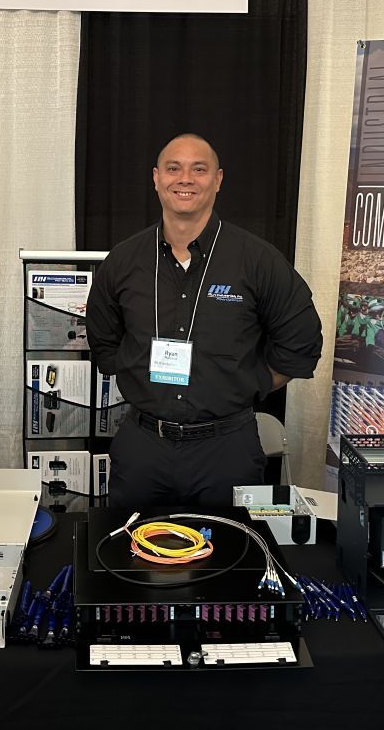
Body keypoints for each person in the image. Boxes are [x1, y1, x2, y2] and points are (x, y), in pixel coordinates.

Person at [86, 133, 323, 507]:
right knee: (131, 544)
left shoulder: (257, 260)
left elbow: (301, 341)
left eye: (199, 169)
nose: (185, 179)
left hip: (227, 450)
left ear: (218, 179)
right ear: (156, 178)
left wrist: (251, 383)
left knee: (231, 545)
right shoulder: (123, 260)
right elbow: (104, 341)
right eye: (173, 168)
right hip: (143, 448)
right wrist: (137, 373)